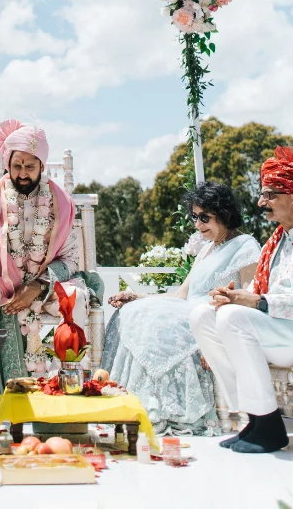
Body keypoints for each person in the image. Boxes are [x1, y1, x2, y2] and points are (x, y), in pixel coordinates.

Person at [190, 146, 293, 454]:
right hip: (284, 331)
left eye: (269, 195)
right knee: (204, 314)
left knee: (233, 318)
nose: (260, 202)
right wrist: (229, 296)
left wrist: (257, 302)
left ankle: (268, 425)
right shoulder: (276, 242)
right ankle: (253, 418)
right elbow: (258, 289)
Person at [0, 119, 102, 394]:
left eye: (29, 166)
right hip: (4, 283)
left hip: (45, 286)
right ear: (8, 164)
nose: (22, 173)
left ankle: (66, 387)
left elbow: (70, 260)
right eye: (16, 165)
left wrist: (38, 286)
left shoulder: (61, 201)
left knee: (75, 297)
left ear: (42, 166)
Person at [101, 182, 260, 435]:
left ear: (224, 213)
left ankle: (163, 410)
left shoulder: (246, 247)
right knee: (134, 311)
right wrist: (139, 296)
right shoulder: (208, 248)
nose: (198, 225)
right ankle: (131, 404)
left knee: (155, 321)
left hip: (213, 318)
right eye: (195, 217)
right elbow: (181, 295)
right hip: (187, 311)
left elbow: (251, 297)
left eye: (205, 217)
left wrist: (220, 334)